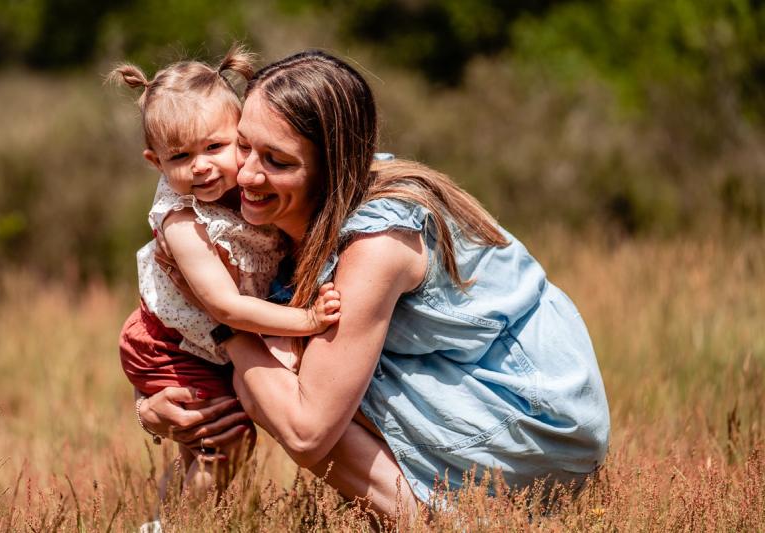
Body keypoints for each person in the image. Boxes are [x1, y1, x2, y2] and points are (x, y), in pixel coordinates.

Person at [134, 49, 610, 518]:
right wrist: (150, 404)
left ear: (331, 165)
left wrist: (224, 326)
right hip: (492, 392)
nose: (248, 172)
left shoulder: (377, 241)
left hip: (533, 421)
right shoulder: (252, 204)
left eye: (277, 160)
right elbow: (165, 309)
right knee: (271, 355)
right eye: (243, 145)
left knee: (265, 376)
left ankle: (426, 523)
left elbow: (305, 432)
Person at [109, 47, 342, 495]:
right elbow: (224, 306)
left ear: (241, 138)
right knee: (226, 439)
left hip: (204, 339)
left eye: (215, 147)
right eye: (179, 157)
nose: (201, 165)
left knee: (206, 445)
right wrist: (307, 321)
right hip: (169, 344)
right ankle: (179, 527)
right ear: (155, 162)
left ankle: (165, 518)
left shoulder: (244, 188)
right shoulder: (182, 221)